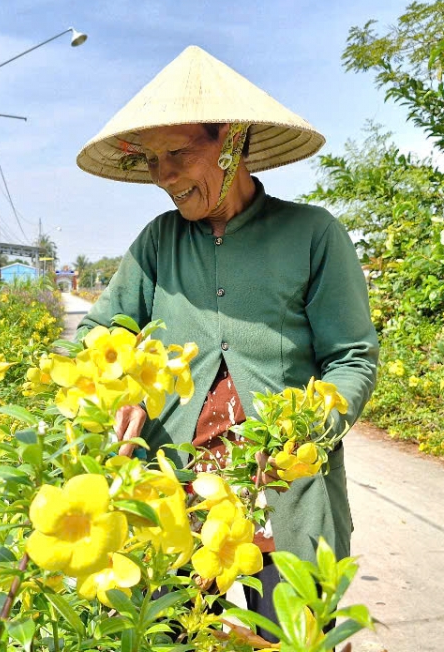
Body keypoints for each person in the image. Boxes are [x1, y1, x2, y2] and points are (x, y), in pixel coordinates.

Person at [74, 45, 380, 636]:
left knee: (289, 637)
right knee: (171, 637)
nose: (163, 175)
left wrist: (307, 430)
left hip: (281, 488)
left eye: (179, 152)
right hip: (173, 495)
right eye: (152, 159)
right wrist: (120, 389)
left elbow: (351, 359)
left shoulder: (313, 235)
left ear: (233, 141)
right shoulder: (158, 243)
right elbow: (101, 331)